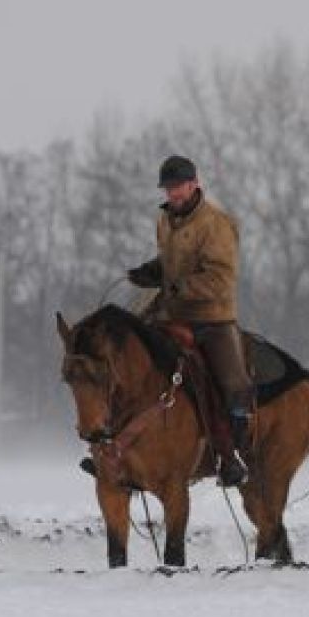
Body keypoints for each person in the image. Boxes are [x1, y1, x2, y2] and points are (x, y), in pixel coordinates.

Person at [123, 155, 254, 487]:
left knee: (234, 382)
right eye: (168, 189)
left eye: (178, 187)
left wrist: (179, 286)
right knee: (126, 355)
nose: (173, 194)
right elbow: (170, 262)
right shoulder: (164, 220)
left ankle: (231, 454)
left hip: (212, 318)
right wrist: (151, 271)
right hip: (170, 311)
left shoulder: (216, 223)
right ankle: (117, 449)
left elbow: (221, 278)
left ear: (195, 184)